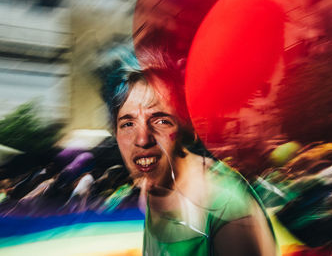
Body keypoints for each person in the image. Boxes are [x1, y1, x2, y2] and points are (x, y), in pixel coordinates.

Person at [99, 47, 278, 256]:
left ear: (183, 127)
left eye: (161, 120)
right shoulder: (150, 188)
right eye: (128, 124)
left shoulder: (224, 206)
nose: (142, 139)